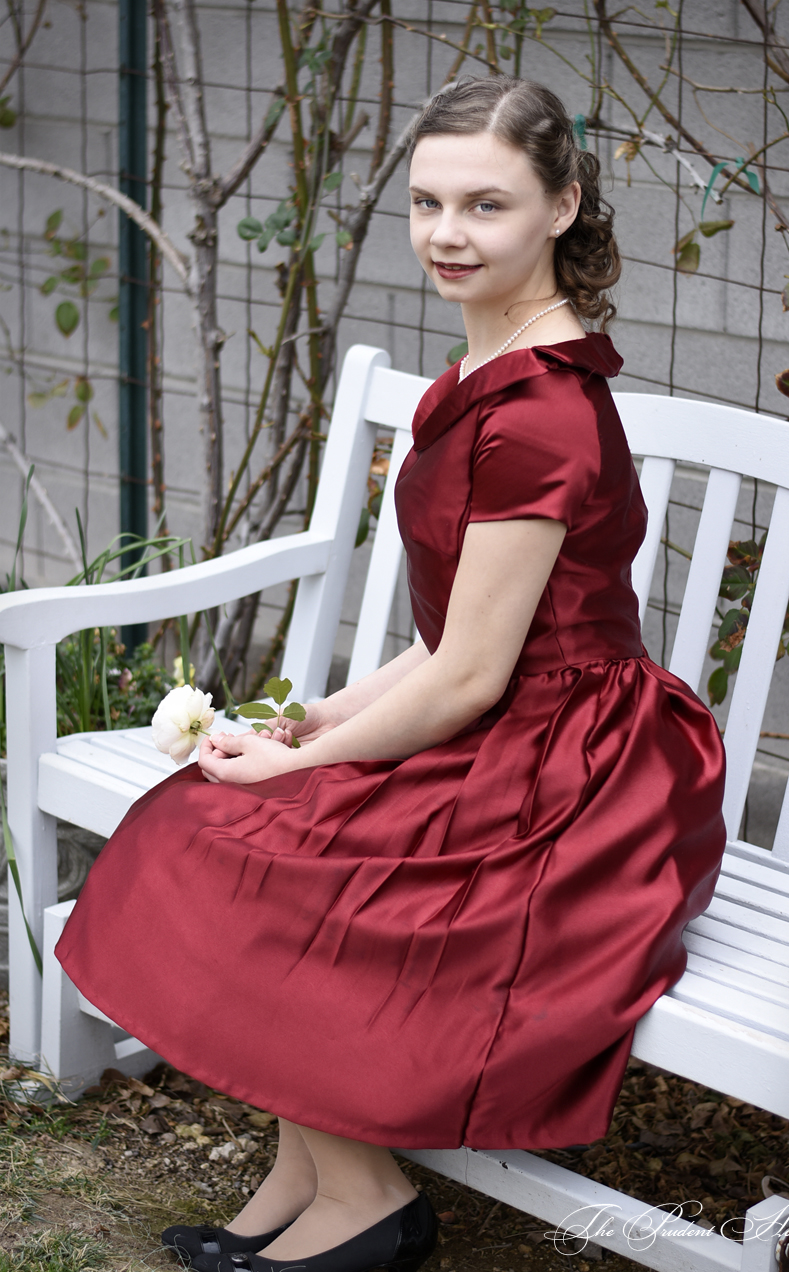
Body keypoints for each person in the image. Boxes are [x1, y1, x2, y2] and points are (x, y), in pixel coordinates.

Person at [55, 75, 727, 1272]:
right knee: (228, 824)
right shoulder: (486, 375)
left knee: (255, 852)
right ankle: (306, 1173)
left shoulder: (540, 417)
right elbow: (444, 646)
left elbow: (470, 679)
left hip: (575, 768)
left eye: (486, 204)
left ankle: (366, 1198)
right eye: (427, 203)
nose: (447, 235)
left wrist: (299, 757)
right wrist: (317, 716)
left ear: (563, 207)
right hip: (511, 716)